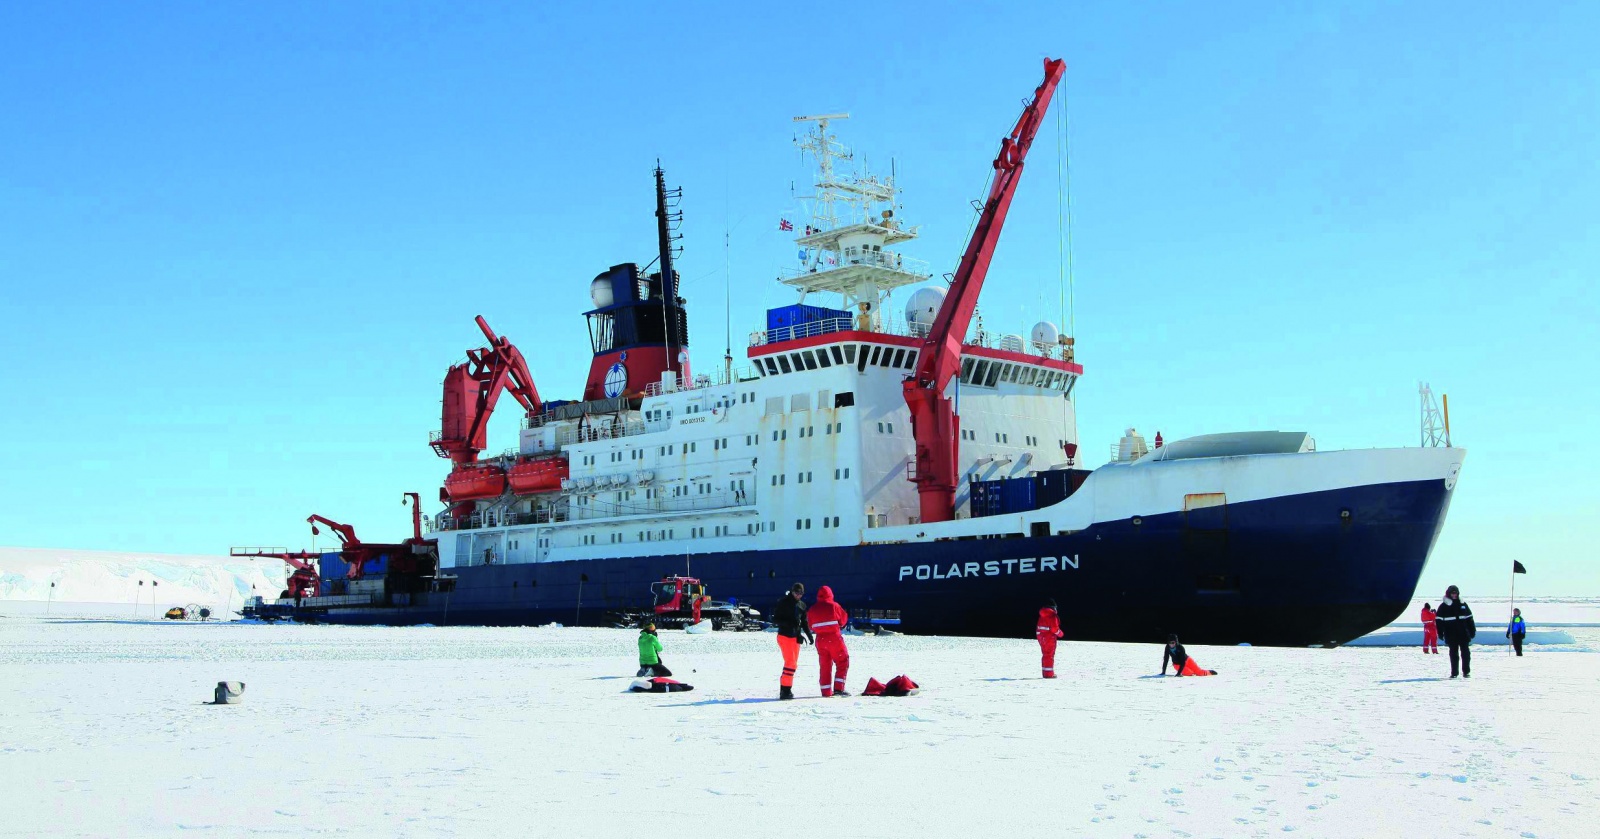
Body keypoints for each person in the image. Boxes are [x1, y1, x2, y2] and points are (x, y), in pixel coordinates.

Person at [807, 585, 852, 697]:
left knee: (825, 666)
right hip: (834, 638)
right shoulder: (834, 606)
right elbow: (843, 619)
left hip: (820, 640)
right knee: (842, 661)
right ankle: (838, 689)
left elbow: (810, 626)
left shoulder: (812, 609)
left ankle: (826, 691)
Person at [771, 583, 814, 700]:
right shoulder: (783, 602)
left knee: (792, 665)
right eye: (796, 593)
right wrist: (788, 624)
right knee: (790, 664)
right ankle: (785, 691)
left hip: (796, 638)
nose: (798, 596)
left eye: (801, 594)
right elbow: (775, 619)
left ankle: (785, 689)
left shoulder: (802, 605)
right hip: (784, 636)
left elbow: (804, 622)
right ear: (792, 591)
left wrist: (810, 635)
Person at [1434, 584, 1476, 678]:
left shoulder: (1463, 604)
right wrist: (1440, 633)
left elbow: (1469, 618)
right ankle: (1454, 673)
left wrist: (1472, 630)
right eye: (1452, 593)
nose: (1454, 595)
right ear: (1449, 594)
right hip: (1451, 634)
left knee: (1466, 653)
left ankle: (1466, 672)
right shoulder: (1443, 606)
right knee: (1453, 654)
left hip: (1463, 633)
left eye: (1455, 593)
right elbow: (1439, 621)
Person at [1037, 598, 1064, 678]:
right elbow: (1054, 629)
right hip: (1049, 638)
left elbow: (1039, 628)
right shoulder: (1052, 616)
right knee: (1049, 655)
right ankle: (1049, 675)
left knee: (1045, 655)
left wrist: (1040, 637)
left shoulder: (1042, 615)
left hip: (1042, 638)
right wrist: (1061, 634)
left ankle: (1046, 673)